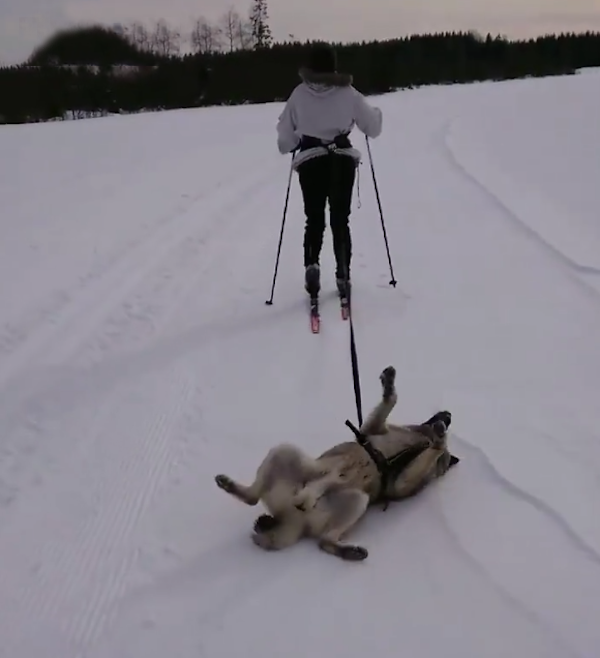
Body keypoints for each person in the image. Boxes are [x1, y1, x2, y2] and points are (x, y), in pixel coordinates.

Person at [276, 42, 383, 300]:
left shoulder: (299, 94)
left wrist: (296, 142)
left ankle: (312, 265)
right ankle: (343, 272)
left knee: (314, 219)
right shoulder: (349, 93)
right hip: (342, 160)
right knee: (340, 219)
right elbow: (373, 128)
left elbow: (284, 141)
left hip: (311, 160)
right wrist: (376, 114)